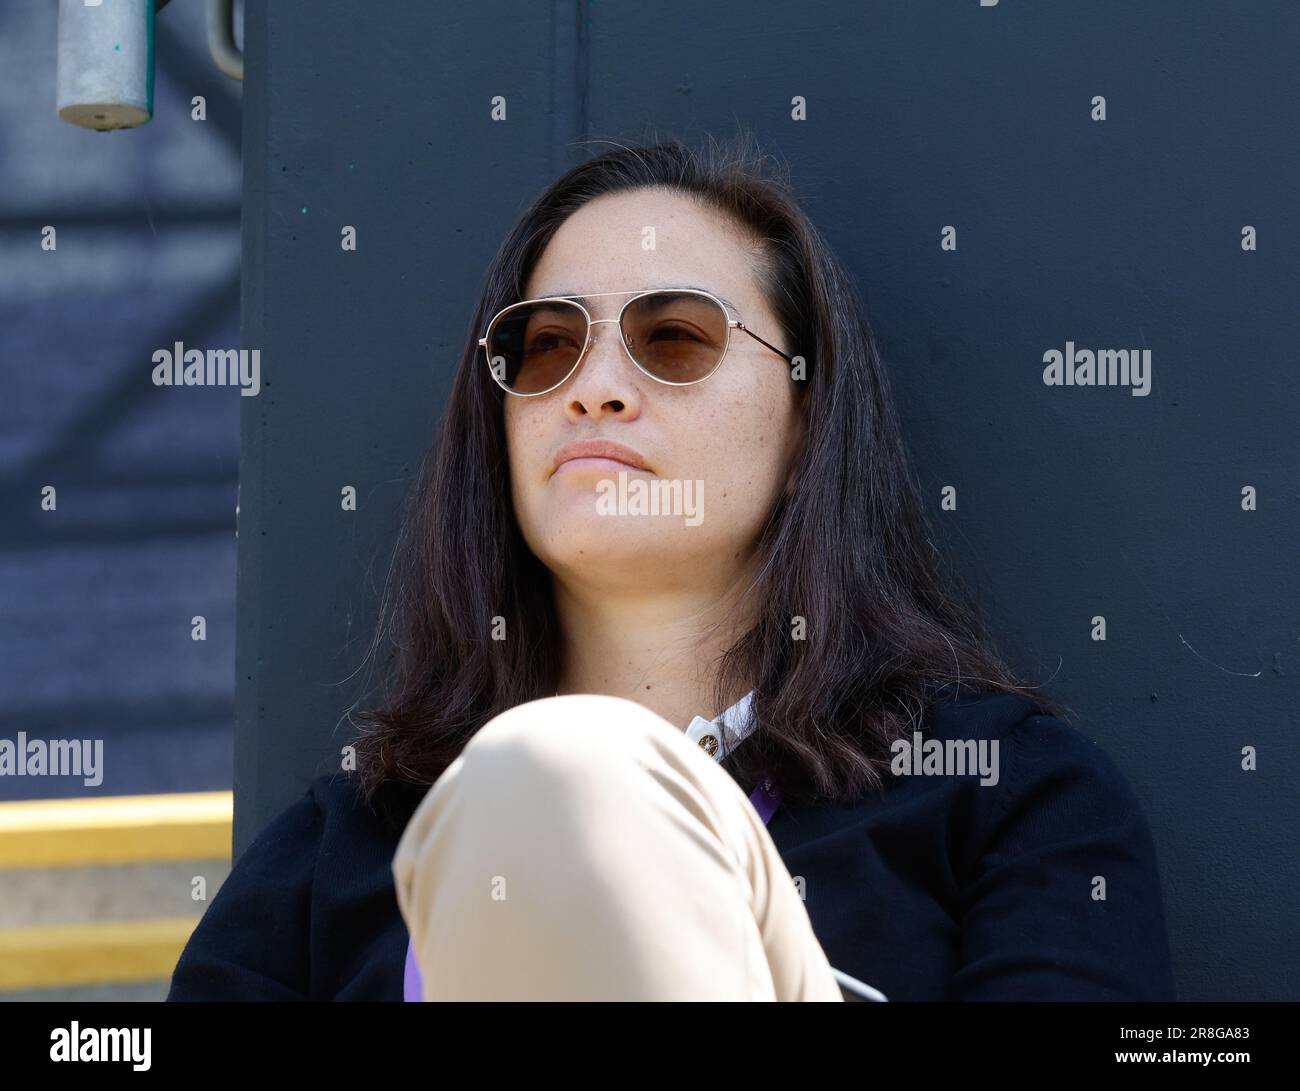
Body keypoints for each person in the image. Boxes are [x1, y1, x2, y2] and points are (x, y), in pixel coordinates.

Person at [168, 133, 1175, 1002]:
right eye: (548, 344)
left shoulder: (1003, 793)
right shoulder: (336, 850)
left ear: (804, 428)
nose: (595, 387)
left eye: (675, 337)